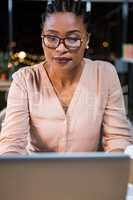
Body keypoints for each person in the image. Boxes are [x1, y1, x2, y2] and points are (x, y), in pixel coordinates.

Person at [0, 0, 132, 155]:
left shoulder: (104, 74)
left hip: (90, 175)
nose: (61, 48)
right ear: (43, 38)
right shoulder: (25, 80)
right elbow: (11, 145)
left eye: (73, 39)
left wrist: (114, 172)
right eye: (52, 38)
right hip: (37, 175)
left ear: (87, 40)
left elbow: (118, 139)